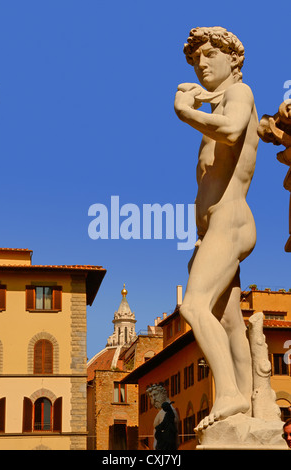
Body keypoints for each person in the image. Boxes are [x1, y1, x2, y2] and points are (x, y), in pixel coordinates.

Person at [174, 26, 259, 430]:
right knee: (227, 323)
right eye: (195, 59)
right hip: (214, 231)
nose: (201, 63)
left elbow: (230, 130)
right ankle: (250, 403)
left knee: (193, 305)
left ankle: (226, 394)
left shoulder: (239, 95)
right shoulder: (219, 102)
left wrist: (186, 110)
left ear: (233, 59)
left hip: (230, 221)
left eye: (209, 55)